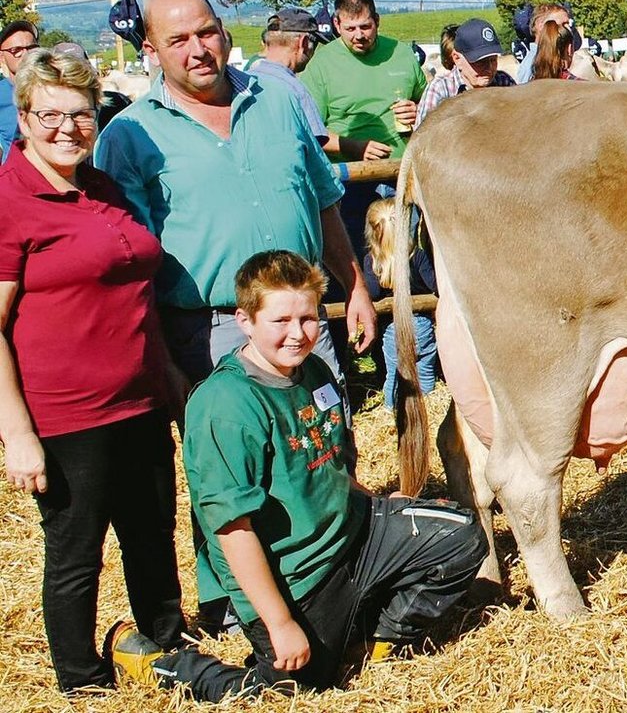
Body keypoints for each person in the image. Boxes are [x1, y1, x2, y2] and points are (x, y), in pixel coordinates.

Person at [92, 0, 378, 631]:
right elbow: (129, 264)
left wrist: (354, 285)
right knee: (231, 474)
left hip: (305, 316)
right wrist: (161, 359)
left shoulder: (275, 100)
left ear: (225, 32)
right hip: (207, 330)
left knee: (323, 447)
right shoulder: (131, 135)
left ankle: (339, 583)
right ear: (150, 50)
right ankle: (236, 607)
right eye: (178, 40)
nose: (197, 49)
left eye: (207, 32)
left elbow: (324, 200)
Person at [105, 250, 487, 702]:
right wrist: (280, 623)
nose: (297, 333)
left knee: (462, 538)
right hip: (297, 576)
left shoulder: (315, 369)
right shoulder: (225, 405)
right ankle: (163, 665)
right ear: (245, 320)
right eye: (280, 320)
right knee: (293, 689)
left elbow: (327, 462)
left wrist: (383, 507)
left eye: (308, 318)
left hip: (352, 535)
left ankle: (372, 637)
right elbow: (232, 528)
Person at [0, 49, 187, 694]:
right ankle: (81, 680)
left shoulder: (101, 188)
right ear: (24, 119)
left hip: (138, 397)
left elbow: (137, 297)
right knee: (77, 552)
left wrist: (167, 379)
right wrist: (18, 433)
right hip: (67, 411)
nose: (67, 129)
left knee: (152, 534)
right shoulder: (10, 202)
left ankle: (165, 648)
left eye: (80, 114)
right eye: (50, 115)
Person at [301, 0, 426, 163]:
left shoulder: (403, 54)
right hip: (350, 174)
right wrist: (352, 147)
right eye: (350, 29)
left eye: (365, 27)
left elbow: (430, 103)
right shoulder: (321, 64)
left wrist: (418, 110)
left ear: (377, 21)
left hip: (402, 167)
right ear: (337, 25)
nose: (359, 35)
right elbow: (308, 130)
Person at [363, 198, 438, 404]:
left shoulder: (372, 260)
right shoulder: (417, 255)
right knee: (424, 372)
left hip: (392, 330)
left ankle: (390, 409)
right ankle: (429, 407)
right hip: (421, 326)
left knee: (394, 376)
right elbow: (434, 285)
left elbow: (373, 292)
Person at [242, 8, 329, 146]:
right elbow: (315, 144)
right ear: (304, 43)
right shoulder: (294, 89)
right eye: (315, 44)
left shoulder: (243, 82)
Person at [416, 18, 514, 127]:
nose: (489, 68)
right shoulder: (440, 89)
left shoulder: (505, 83)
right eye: (480, 61)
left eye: (493, 59)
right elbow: (422, 138)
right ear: (457, 58)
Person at [1, 19, 40, 160]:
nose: (25, 54)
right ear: (2, 57)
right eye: (16, 50)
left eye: (31, 48)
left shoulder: (52, 92)